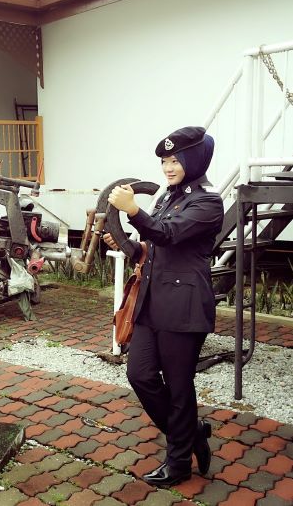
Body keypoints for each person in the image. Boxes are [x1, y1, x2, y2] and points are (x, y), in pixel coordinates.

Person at [103, 126, 224, 487]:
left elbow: (168, 234)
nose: (168, 168)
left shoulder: (207, 202)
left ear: (194, 160)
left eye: (175, 160)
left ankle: (179, 463)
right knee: (139, 374)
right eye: (164, 162)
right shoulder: (168, 198)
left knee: (178, 385)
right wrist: (126, 243)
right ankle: (193, 433)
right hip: (152, 303)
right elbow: (153, 248)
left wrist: (132, 210)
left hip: (184, 307)